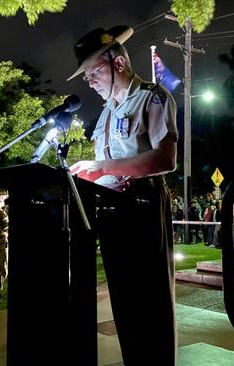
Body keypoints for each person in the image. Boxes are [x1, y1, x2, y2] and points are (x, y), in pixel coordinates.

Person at [67, 25, 178, 365]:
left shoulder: (152, 97)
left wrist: (100, 167)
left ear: (117, 63)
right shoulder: (105, 114)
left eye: (93, 72)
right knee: (125, 308)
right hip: (112, 215)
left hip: (144, 209)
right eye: (85, 76)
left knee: (151, 305)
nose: (89, 81)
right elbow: (103, 168)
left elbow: (165, 158)